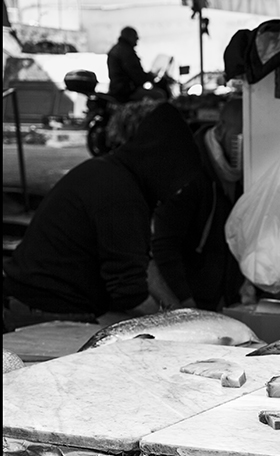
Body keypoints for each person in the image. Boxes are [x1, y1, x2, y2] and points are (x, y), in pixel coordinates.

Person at [3, 103, 202, 330]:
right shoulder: (121, 195)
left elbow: (141, 263)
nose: (177, 192)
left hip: (56, 301)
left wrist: (179, 312)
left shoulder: (115, 174)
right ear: (164, 165)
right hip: (46, 309)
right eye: (179, 181)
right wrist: (178, 328)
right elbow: (130, 293)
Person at [150, 99, 249, 311]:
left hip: (229, 299)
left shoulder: (248, 175)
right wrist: (185, 303)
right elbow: (165, 245)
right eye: (241, 137)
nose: (247, 145)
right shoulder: (188, 174)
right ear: (221, 129)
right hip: (194, 300)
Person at [107, 26, 166, 104]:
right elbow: (135, 72)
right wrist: (149, 77)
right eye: (135, 36)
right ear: (129, 36)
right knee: (159, 95)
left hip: (119, 89)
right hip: (126, 91)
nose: (137, 39)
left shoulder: (118, 49)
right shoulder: (126, 52)